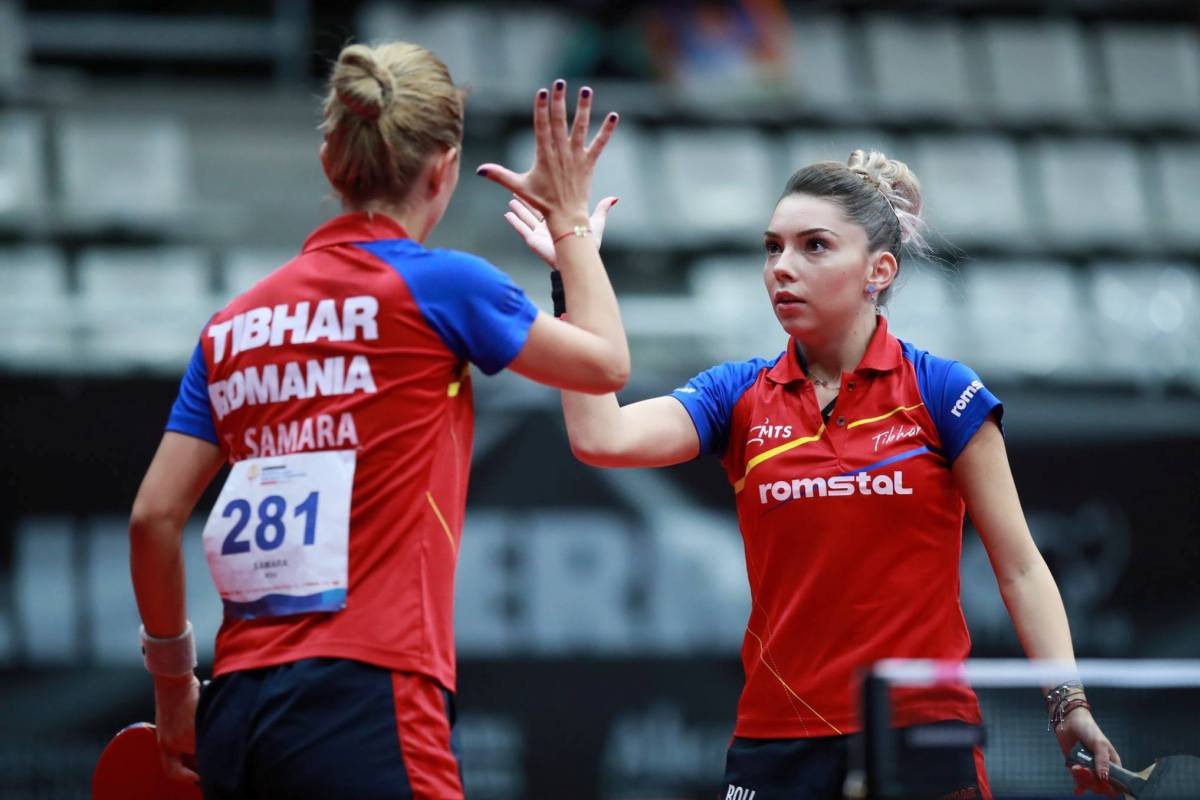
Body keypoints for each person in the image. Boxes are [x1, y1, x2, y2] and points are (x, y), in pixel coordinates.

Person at [503, 149, 1123, 799]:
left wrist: (1067, 702)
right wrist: (573, 273)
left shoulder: (942, 392)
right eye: (773, 248)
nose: (782, 267)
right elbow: (600, 437)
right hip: (778, 740)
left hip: (917, 736)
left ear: (878, 271)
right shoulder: (738, 396)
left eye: (814, 246)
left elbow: (1019, 567)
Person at [128, 40, 627, 800]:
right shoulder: (444, 287)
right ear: (444, 170)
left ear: (330, 163)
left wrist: (173, 690)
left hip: (237, 710)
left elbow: (154, 518)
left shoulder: (232, 325)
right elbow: (606, 365)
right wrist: (569, 225)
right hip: (368, 694)